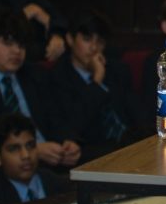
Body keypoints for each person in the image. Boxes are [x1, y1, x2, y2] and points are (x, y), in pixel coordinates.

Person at [0, 8, 80, 176]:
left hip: (51, 165)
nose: (17, 51)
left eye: (21, 44)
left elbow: (57, 116)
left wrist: (68, 141)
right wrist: (32, 149)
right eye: (8, 43)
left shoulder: (35, 74)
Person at [49, 10, 142, 162]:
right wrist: (97, 81)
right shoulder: (58, 77)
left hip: (130, 147)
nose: (94, 48)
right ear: (70, 39)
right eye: (87, 39)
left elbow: (137, 115)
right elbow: (73, 126)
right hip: (93, 154)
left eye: (99, 42)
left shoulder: (117, 69)